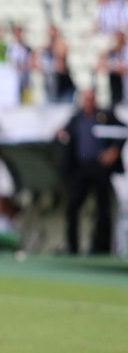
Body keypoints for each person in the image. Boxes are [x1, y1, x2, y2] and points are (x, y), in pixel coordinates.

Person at [57, 88, 125, 253]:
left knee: (103, 208)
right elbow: (62, 134)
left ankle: (101, 248)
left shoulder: (105, 116)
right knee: (73, 206)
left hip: (100, 168)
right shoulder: (76, 119)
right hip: (81, 169)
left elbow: (123, 131)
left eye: (91, 98)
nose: (88, 102)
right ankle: (72, 247)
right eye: (85, 99)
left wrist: (113, 151)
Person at [96, 30, 128, 106]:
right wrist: (108, 50)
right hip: (117, 95)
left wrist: (110, 67)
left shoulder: (126, 52)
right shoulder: (112, 53)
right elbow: (98, 65)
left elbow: (122, 69)